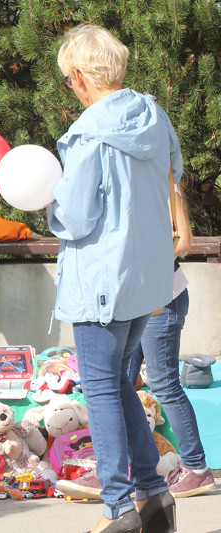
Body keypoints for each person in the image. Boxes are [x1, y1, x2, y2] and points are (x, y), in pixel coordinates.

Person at [48, 24, 179, 533]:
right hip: (145, 276)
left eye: (68, 80)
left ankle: (119, 507)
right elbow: (174, 175)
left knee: (100, 388)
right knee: (120, 381)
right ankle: (152, 495)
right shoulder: (154, 116)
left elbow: (76, 217)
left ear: (79, 76)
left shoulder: (88, 132)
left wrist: (49, 203)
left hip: (100, 276)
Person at [127, 184, 216, 498]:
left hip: (162, 297)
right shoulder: (128, 178)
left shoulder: (165, 184)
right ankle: (127, 465)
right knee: (122, 381)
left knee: (164, 383)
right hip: (132, 301)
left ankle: (197, 468)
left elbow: (184, 242)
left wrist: (139, 262)